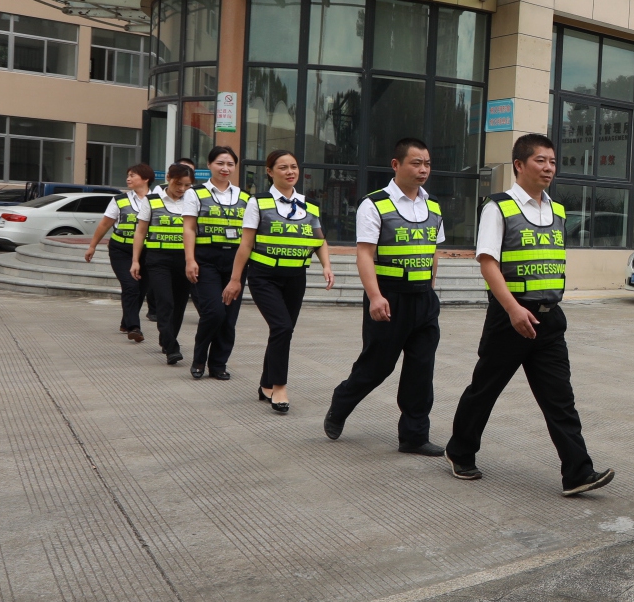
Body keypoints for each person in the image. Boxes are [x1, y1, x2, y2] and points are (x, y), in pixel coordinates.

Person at [442, 134, 615, 495]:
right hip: (510, 317)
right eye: (540, 160)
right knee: (485, 390)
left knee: (560, 399)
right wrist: (513, 308)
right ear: (519, 165)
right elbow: (488, 263)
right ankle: (460, 451)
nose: (549, 167)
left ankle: (577, 473)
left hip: (549, 320)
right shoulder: (498, 207)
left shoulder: (558, 211)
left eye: (552, 161)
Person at [323, 138, 447, 456]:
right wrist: (375, 297)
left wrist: (431, 287)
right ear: (396, 165)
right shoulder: (375, 204)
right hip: (389, 298)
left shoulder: (433, 205)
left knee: (421, 369)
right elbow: (364, 254)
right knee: (377, 366)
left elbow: (433, 250)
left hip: (423, 299)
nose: (423, 169)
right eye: (416, 163)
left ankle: (414, 436)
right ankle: (341, 402)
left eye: (427, 164)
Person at [223, 149, 334, 413]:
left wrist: (327, 265)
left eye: (293, 166)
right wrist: (235, 280)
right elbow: (246, 244)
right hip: (264, 276)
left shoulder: (309, 205)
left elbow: (319, 240)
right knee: (282, 327)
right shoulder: (258, 202)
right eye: (283, 167)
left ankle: (265, 384)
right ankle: (279, 386)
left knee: (282, 331)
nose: (290, 172)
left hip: (296, 277)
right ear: (270, 172)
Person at [188, 145, 247, 380]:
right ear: (209, 165)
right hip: (206, 259)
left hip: (236, 260)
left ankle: (218, 364)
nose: (225, 168)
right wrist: (190, 259)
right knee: (213, 312)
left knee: (229, 317)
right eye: (220, 163)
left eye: (230, 164)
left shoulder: (245, 197)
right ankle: (199, 358)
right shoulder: (195, 193)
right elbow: (189, 228)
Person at [131, 162, 197, 367]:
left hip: (184, 260)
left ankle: (168, 338)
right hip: (158, 260)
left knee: (179, 304)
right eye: (178, 183)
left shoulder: (193, 201)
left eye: (187, 185)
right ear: (168, 178)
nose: (182, 189)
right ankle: (172, 347)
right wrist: (135, 260)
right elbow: (140, 231)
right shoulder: (152, 201)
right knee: (165, 301)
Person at [85, 163, 155, 342]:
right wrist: (92, 246)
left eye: (132, 175)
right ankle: (134, 327)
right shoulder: (120, 200)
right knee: (131, 286)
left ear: (146, 179)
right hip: (121, 250)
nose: (128, 179)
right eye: (128, 175)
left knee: (141, 289)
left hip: (147, 251)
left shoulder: (157, 199)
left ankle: (126, 322)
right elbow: (105, 224)